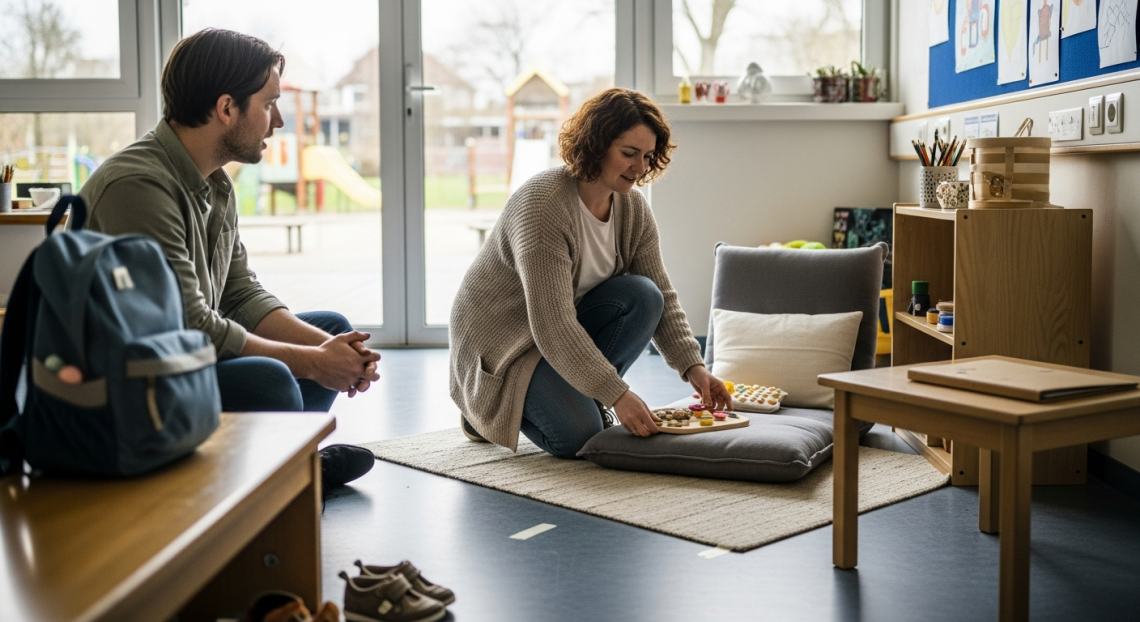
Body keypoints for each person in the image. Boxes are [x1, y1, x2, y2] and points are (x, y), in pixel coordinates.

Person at [79, 29, 379, 493]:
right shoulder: (137, 187)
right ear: (226, 109)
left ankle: (287, 466)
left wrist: (329, 353)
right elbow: (190, 326)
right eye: (268, 104)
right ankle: (292, 472)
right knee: (271, 381)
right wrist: (315, 365)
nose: (278, 121)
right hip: (130, 387)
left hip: (186, 361)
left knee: (332, 329)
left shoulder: (215, 183)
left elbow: (239, 294)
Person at [449, 88, 732, 458]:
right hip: (505, 346)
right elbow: (552, 325)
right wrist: (617, 395)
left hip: (557, 332)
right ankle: (482, 412)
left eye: (647, 156)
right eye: (629, 154)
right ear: (595, 145)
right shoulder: (543, 205)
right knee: (581, 437)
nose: (640, 167)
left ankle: (578, 394)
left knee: (646, 295)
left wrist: (695, 368)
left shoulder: (633, 210)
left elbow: (662, 294)